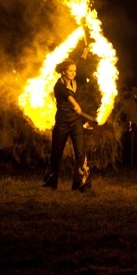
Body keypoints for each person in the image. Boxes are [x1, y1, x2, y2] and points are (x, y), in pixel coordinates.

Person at [42, 59, 91, 192]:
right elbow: (67, 96)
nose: (73, 73)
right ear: (63, 71)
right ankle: (50, 182)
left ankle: (81, 184)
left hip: (76, 121)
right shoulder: (59, 85)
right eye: (70, 70)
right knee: (56, 152)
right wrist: (75, 104)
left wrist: (84, 54)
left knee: (81, 152)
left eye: (75, 70)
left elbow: (83, 65)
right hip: (62, 122)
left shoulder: (75, 82)